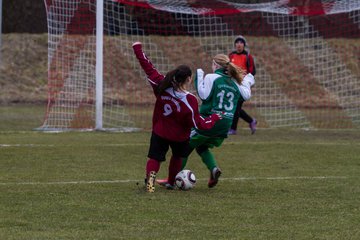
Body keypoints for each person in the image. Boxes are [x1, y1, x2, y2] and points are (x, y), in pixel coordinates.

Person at [132, 42, 221, 192]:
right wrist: (215, 118)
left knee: (155, 158)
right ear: (188, 79)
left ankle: (150, 182)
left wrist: (138, 50)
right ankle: (171, 182)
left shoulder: (162, 85)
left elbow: (148, 68)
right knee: (177, 157)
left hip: (160, 132)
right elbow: (198, 123)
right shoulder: (190, 100)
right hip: (179, 137)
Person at [158, 54, 255, 188]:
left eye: (212, 64)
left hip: (209, 120)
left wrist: (199, 76)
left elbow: (203, 95)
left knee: (184, 147)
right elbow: (246, 94)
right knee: (202, 147)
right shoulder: (234, 82)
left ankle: (171, 180)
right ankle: (214, 169)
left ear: (216, 65)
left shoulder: (212, 77)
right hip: (225, 125)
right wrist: (248, 80)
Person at [228, 35, 257, 135]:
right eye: (237, 42)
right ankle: (251, 121)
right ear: (235, 45)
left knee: (236, 106)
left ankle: (233, 129)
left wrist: (246, 81)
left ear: (244, 45)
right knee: (236, 107)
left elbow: (253, 71)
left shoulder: (248, 56)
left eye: (241, 43)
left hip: (243, 85)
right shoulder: (231, 56)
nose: (239, 44)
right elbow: (227, 69)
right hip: (232, 84)